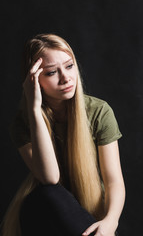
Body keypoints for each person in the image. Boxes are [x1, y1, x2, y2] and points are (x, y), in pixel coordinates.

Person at [2, 33, 125, 236]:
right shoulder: (22, 123)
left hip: (86, 215)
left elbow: (114, 181)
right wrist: (34, 110)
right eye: (51, 73)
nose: (65, 78)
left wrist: (110, 222)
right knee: (48, 193)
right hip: (43, 214)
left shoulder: (99, 112)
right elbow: (50, 178)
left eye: (69, 66)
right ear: (33, 79)